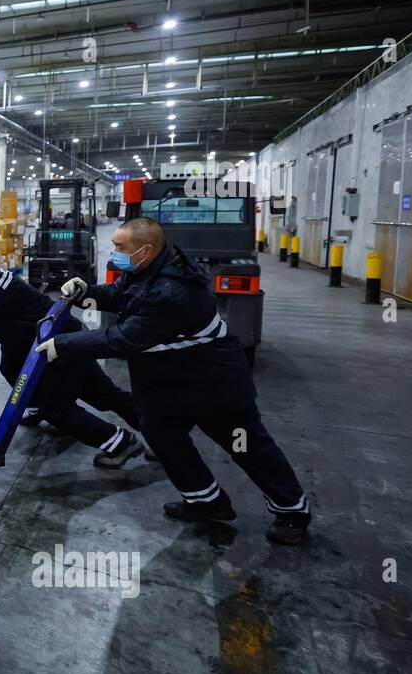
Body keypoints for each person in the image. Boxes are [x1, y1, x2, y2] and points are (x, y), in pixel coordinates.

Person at [35, 217, 311, 544]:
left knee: (246, 444)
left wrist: (63, 347)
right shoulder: (147, 269)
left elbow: (124, 338)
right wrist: (86, 292)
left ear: (146, 250)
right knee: (161, 435)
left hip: (213, 383)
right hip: (171, 380)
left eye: (120, 248)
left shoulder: (173, 290)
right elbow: (121, 294)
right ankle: (206, 501)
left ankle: (293, 511)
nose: (115, 253)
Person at [0, 247, 145, 469]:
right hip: (40, 343)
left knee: (66, 405)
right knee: (10, 366)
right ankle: (158, 433)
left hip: (61, 343)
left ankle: (122, 442)